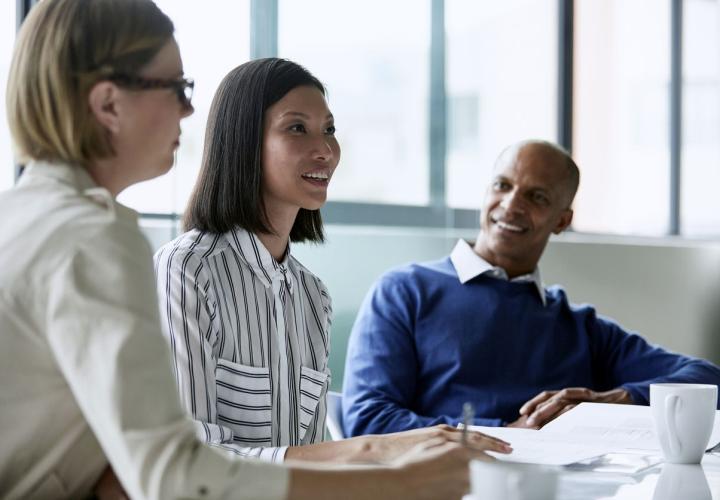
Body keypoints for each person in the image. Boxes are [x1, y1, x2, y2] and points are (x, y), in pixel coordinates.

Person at [0, 1, 505, 498]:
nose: (189, 108)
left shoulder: (30, 218)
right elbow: (177, 476)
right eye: (175, 88)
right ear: (109, 105)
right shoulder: (107, 243)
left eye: (329, 128)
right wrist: (390, 471)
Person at [153, 57, 508, 465]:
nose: (325, 150)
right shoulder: (186, 270)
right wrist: (373, 448)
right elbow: (190, 460)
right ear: (243, 141)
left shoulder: (311, 295)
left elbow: (314, 457)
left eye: (330, 130)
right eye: (297, 128)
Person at [342, 139, 720, 437]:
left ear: (562, 220)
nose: (511, 205)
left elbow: (708, 380)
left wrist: (619, 398)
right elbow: (368, 419)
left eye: (536, 197)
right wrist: (508, 435)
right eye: (502, 186)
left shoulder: (578, 326)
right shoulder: (404, 291)